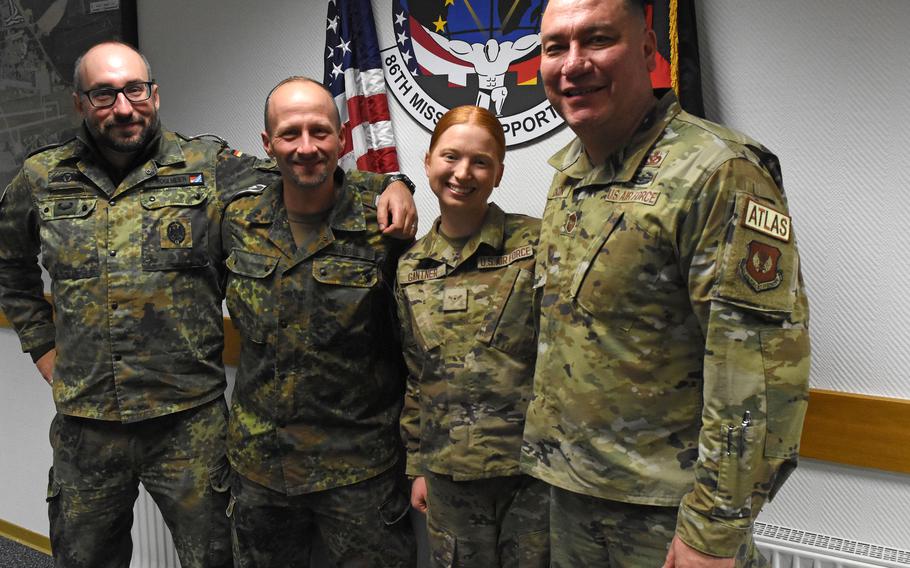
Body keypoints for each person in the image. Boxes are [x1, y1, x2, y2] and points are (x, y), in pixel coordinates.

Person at [0, 42, 416, 568]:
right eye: (104, 94)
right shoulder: (42, 178)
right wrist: (41, 347)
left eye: (135, 90)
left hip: (189, 423)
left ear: (154, 94)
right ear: (80, 103)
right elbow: (8, 265)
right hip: (88, 425)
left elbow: (304, 167)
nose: (124, 107)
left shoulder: (209, 165)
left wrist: (395, 184)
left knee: (216, 560)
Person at [520, 1, 812, 567]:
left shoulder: (717, 171)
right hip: (570, 496)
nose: (573, 64)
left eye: (598, 40)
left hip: (665, 517)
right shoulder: (572, 177)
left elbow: (758, 371)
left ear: (649, 49)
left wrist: (714, 530)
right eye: (556, 47)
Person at [220, 76, 417, 567]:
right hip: (262, 470)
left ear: (343, 137)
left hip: (360, 472)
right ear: (268, 145)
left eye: (320, 131)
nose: (306, 147)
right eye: (290, 134)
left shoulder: (384, 225)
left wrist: (400, 181)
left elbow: (417, 349)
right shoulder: (235, 220)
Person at [397, 105, 548, 567]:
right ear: (428, 163)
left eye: (480, 162)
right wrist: (417, 466)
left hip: (530, 477)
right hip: (450, 480)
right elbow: (415, 374)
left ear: (498, 173)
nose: (463, 173)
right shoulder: (411, 267)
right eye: (450, 157)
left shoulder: (537, 245)